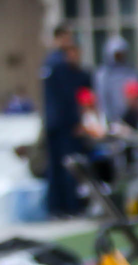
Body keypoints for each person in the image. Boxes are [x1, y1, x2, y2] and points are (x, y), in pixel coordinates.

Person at [40, 24, 90, 217]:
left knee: (57, 166)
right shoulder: (60, 63)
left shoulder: (50, 62)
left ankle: (57, 207)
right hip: (64, 124)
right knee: (69, 166)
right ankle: (69, 206)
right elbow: (67, 97)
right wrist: (76, 121)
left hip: (54, 122)